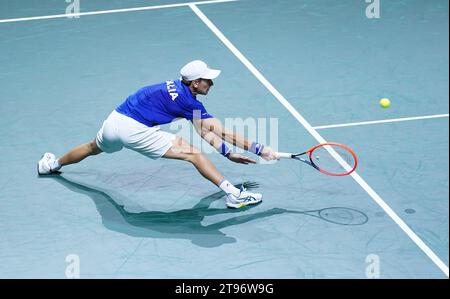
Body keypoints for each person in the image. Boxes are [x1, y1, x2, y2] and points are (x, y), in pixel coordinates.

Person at [37, 60, 278, 208]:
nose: (211, 84)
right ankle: (234, 195)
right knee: (193, 154)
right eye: (207, 80)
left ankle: (50, 165)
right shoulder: (189, 103)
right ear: (195, 83)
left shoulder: (179, 89)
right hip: (135, 129)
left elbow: (205, 131)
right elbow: (221, 131)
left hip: (116, 119)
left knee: (92, 147)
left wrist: (227, 154)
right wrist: (261, 149)